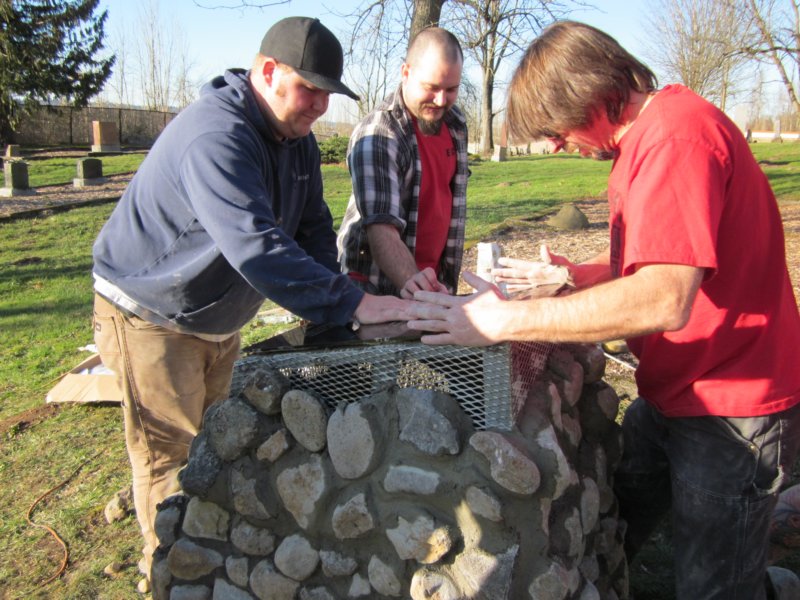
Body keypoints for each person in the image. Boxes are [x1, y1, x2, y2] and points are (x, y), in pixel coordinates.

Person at [407, 20, 800, 600]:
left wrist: (504, 320)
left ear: (587, 94)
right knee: (618, 514)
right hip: (676, 391)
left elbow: (664, 295)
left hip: (731, 406)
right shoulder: (648, 141)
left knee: (715, 584)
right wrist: (568, 276)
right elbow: (656, 255)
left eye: (555, 129)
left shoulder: (675, 141)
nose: (555, 146)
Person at [91, 16, 410, 586]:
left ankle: (207, 555)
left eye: (328, 94)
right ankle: (171, 575)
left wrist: (339, 308)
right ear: (267, 72)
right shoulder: (217, 135)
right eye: (309, 88)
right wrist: (351, 306)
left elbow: (312, 231)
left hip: (217, 317)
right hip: (150, 313)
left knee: (214, 442)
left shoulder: (296, 142)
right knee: (171, 458)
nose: (320, 105)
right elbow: (257, 248)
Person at [336, 27, 469, 299]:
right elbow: (382, 230)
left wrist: (439, 289)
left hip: (432, 284)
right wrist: (423, 294)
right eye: (432, 88)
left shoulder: (455, 125)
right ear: (406, 73)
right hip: (375, 290)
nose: (441, 100)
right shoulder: (380, 133)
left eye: (451, 89)